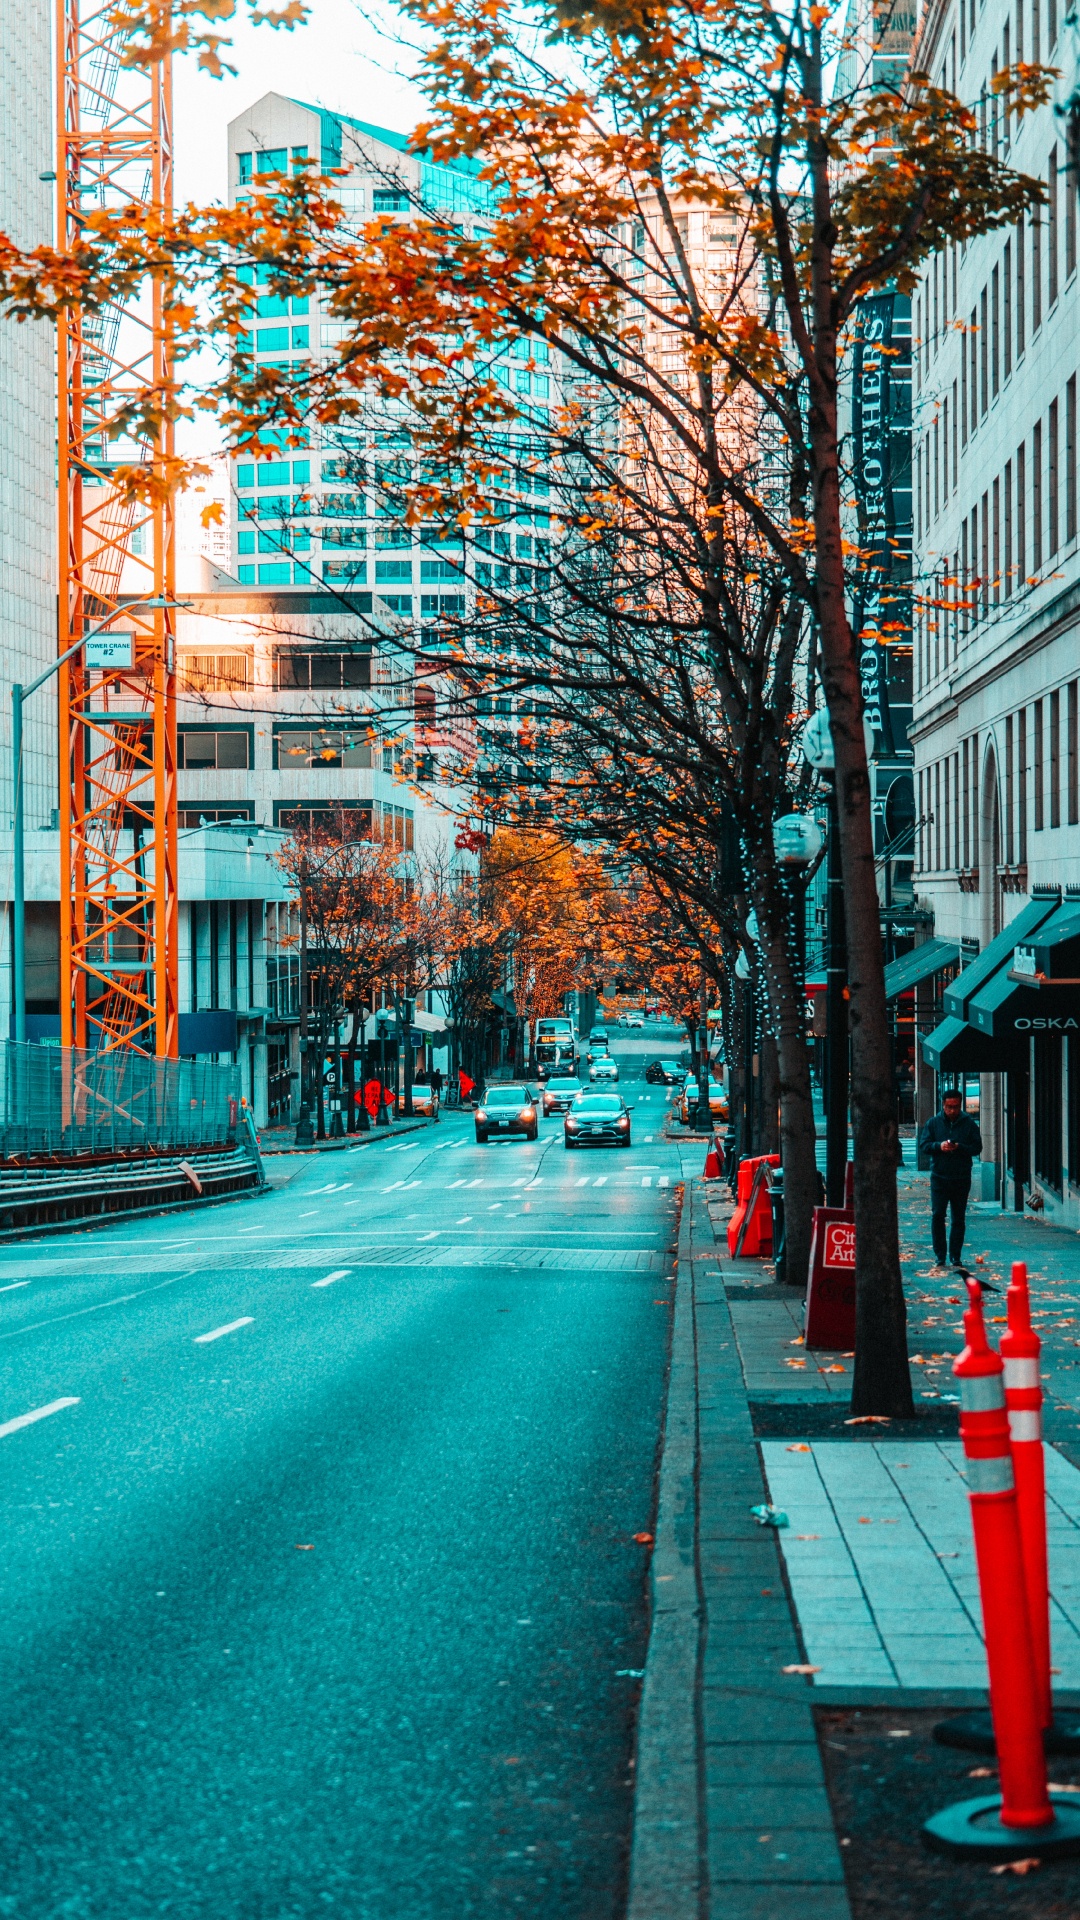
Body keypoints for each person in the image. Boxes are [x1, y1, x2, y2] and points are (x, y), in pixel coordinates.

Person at [918, 1089, 983, 1269]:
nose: (952, 1111)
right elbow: (924, 1145)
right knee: (938, 1215)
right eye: (948, 1107)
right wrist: (939, 1146)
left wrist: (959, 1147)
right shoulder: (933, 1123)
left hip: (961, 1177)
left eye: (955, 1107)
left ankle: (955, 1255)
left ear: (960, 1105)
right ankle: (940, 1255)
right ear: (943, 1105)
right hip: (939, 1176)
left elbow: (977, 1147)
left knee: (958, 1218)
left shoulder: (968, 1124)